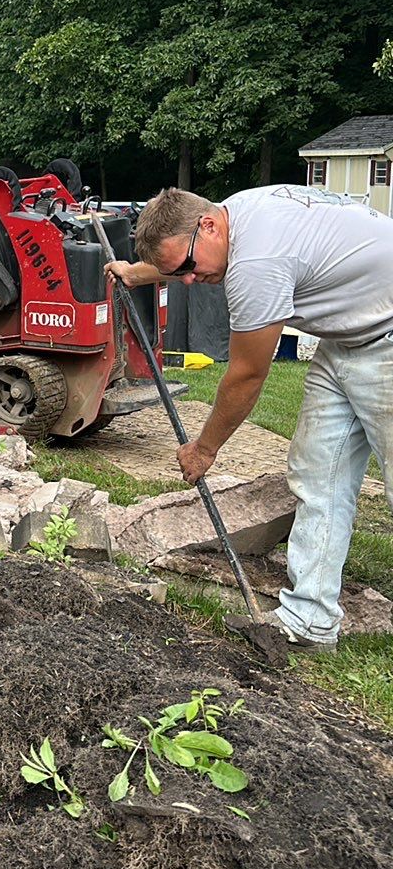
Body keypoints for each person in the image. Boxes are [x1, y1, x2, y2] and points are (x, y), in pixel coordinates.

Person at [107, 185, 393, 661]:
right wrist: (139, 273)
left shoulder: (256, 263)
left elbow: (246, 376)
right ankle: (311, 619)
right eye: (178, 272)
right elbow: (185, 254)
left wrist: (203, 448)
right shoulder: (231, 215)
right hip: (348, 339)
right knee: (317, 474)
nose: (190, 281)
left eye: (188, 269)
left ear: (210, 227)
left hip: (387, 337)